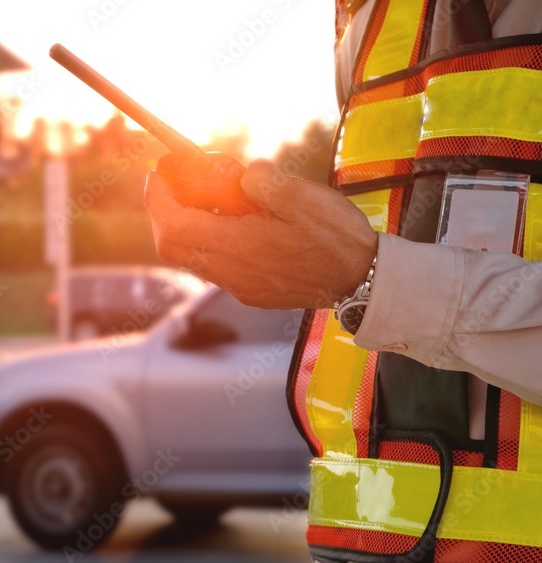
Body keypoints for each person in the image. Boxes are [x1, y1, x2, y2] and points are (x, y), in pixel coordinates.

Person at [144, 1, 542, 561]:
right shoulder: (373, 26)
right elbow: (373, 231)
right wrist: (270, 226)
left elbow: (370, 265)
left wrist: (370, 277)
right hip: (368, 540)